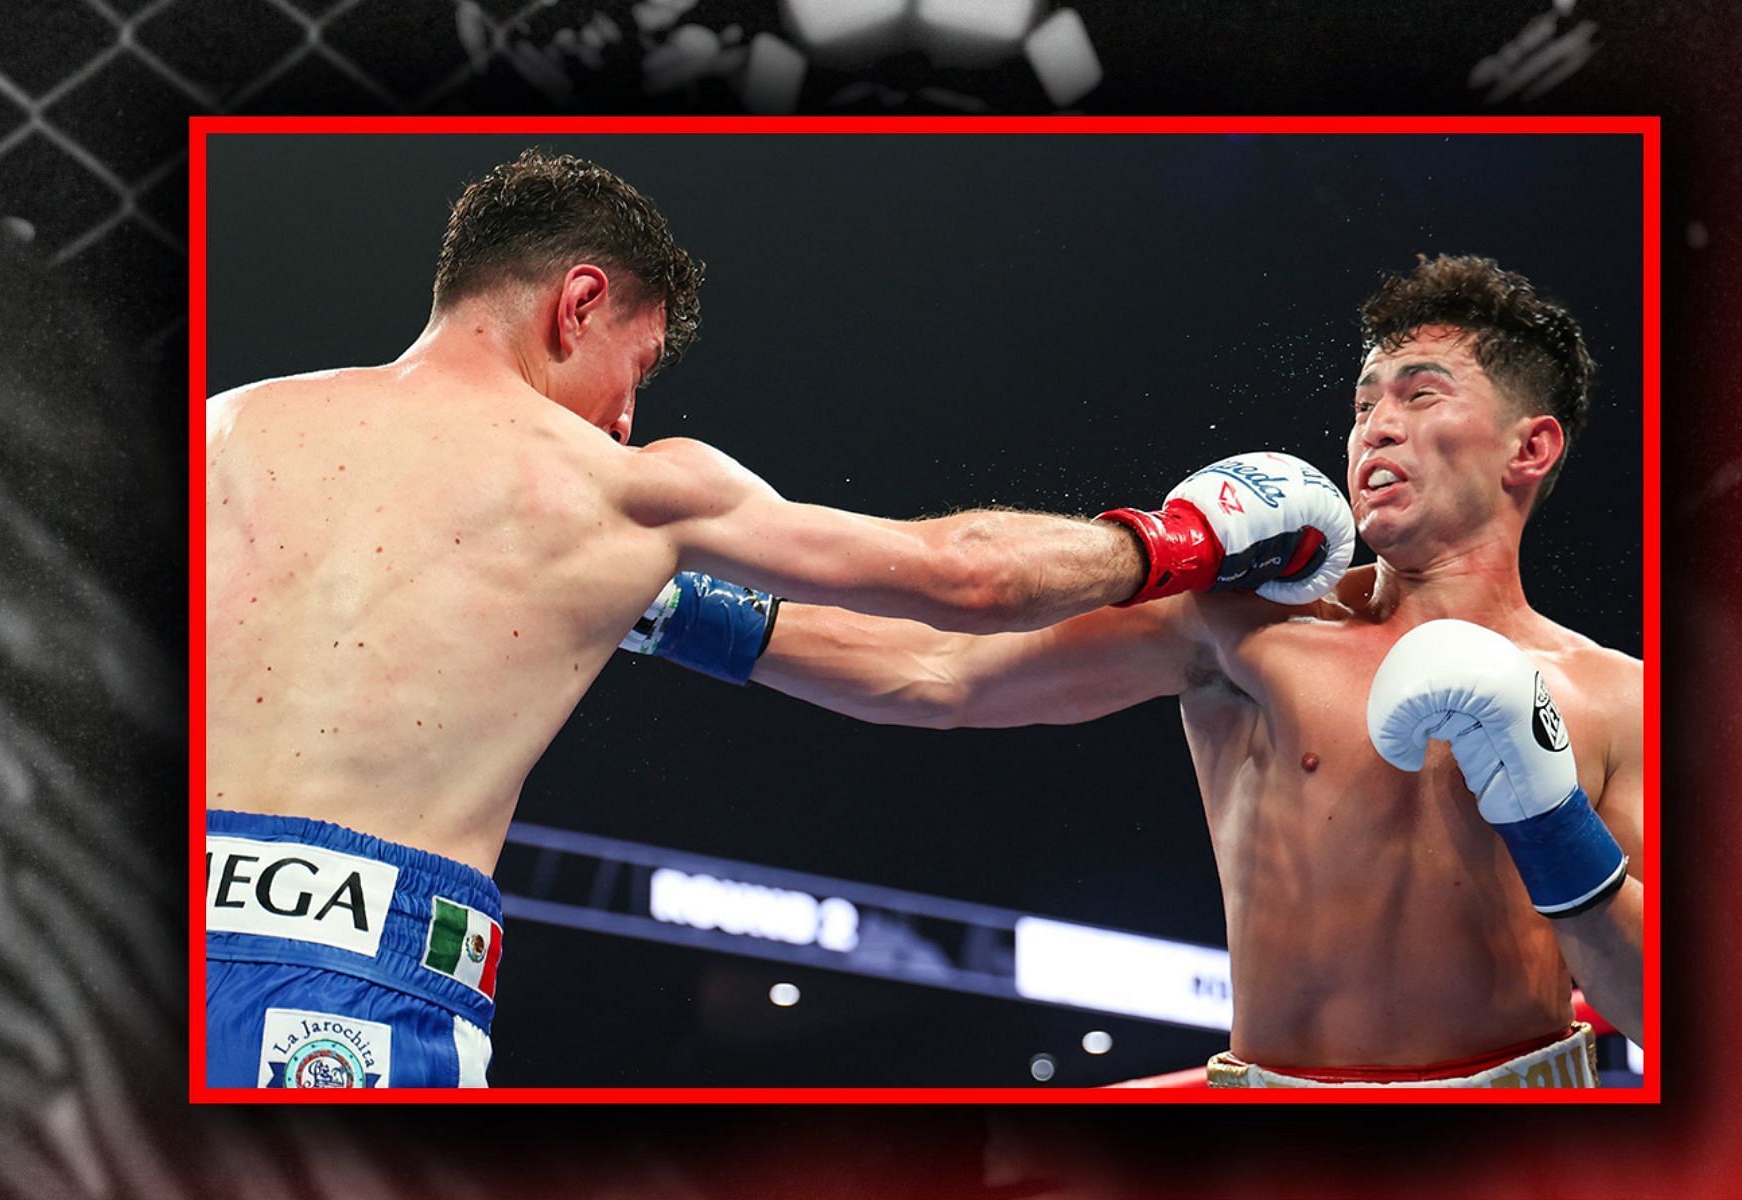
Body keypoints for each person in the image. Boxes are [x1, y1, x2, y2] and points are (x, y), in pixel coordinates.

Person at [203, 149, 1351, 1088]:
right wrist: (1187, 540)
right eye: (636, 365)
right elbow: (961, 582)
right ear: (581, 301)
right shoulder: (619, 489)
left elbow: (913, 676)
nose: (625, 414)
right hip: (345, 986)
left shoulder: (225, 430)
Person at [663, 255, 1644, 1088]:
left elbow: (1658, 1004)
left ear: (1532, 446)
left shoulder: (1616, 697)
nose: (1374, 427)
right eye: (1363, 401)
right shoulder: (1246, 621)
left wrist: (1549, 820)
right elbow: (940, 668)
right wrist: (670, 608)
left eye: (1420, 393)